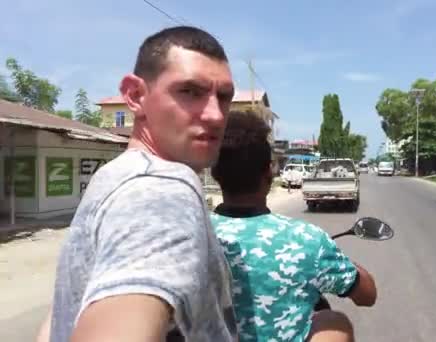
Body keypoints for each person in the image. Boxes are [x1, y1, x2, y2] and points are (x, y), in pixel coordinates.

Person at [38, 26, 237, 342]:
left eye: (224, 97)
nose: (215, 115)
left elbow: (59, 317)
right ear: (135, 96)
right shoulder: (163, 189)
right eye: (190, 91)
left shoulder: (114, 176)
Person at [210, 110, 377, 342]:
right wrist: (333, 257)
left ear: (215, 173)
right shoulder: (307, 240)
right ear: (269, 172)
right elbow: (367, 295)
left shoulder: (192, 235)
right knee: (335, 321)